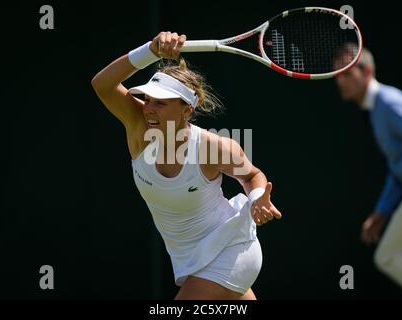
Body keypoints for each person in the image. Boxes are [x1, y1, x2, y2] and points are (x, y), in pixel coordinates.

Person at [91, 31, 282, 300]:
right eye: (147, 99)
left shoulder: (213, 148)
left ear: (186, 110)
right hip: (193, 260)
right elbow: (102, 84)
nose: (148, 108)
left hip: (230, 250)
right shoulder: (138, 126)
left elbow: (252, 175)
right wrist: (150, 50)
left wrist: (258, 197)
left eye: (161, 102)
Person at [334, 43, 402, 292]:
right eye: (337, 75)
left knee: (387, 255)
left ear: (367, 72)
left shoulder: (387, 102)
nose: (341, 81)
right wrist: (381, 212)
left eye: (347, 73)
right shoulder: (376, 109)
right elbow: (399, 166)